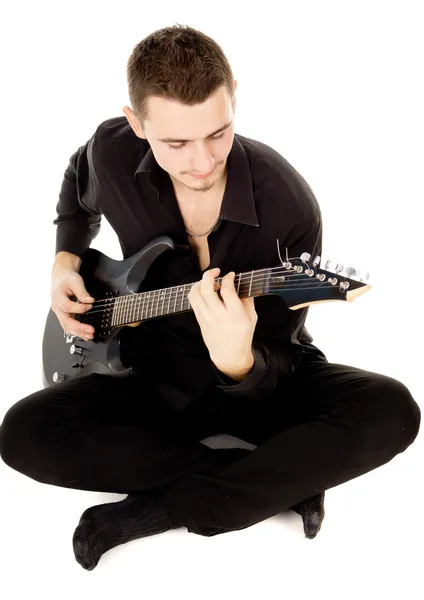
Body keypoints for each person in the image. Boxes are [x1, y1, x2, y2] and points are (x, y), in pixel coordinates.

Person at [0, 24, 420, 572]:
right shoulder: (111, 150)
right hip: (151, 376)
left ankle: (157, 509)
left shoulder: (289, 207)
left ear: (234, 99)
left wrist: (238, 364)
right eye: (175, 143)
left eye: (218, 134)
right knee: (22, 434)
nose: (202, 162)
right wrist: (64, 261)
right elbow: (77, 187)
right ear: (136, 123)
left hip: (262, 383)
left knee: (393, 411)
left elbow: (284, 350)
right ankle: (278, 481)